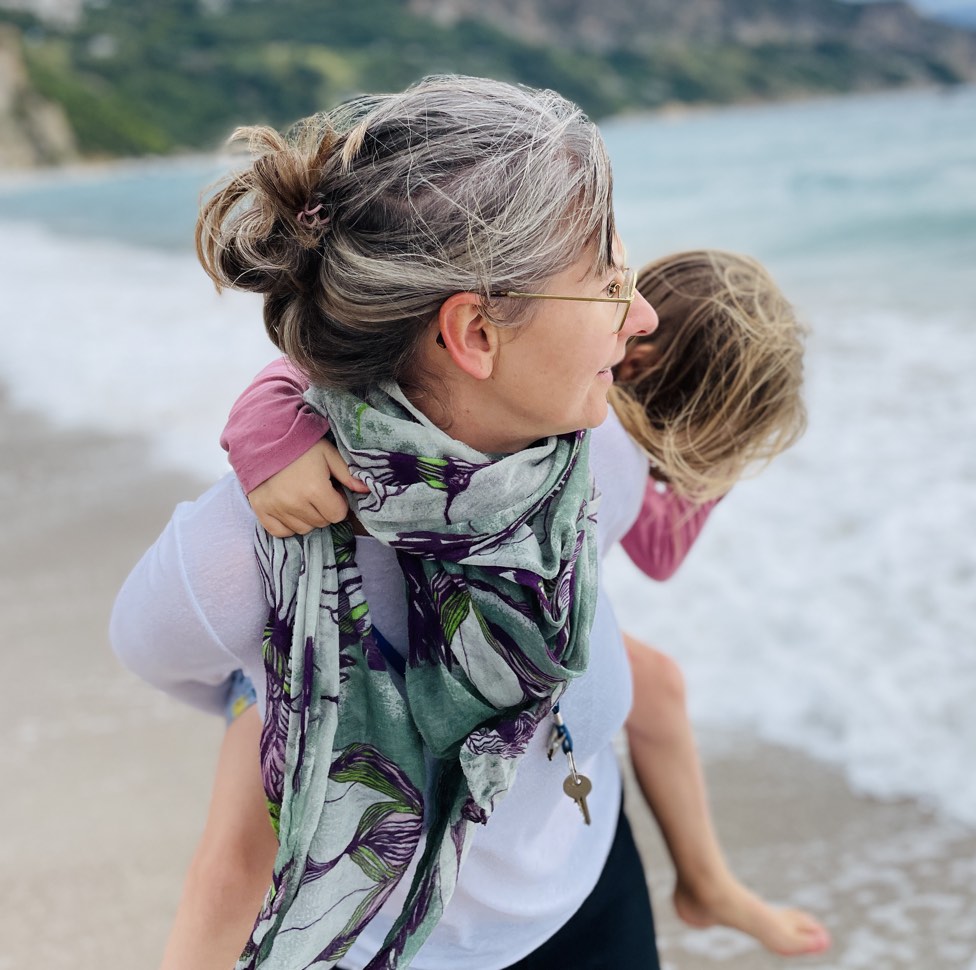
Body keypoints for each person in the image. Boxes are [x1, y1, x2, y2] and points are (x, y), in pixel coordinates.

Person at [111, 74, 662, 970]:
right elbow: (159, 654)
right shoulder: (246, 550)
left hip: (596, 900)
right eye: (606, 284)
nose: (639, 317)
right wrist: (291, 685)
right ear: (475, 334)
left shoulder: (597, 455)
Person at [154, 250, 829, 966]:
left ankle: (707, 884)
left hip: (502, 618)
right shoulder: (584, 433)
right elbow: (321, 371)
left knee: (655, 683)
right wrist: (268, 437)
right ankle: (708, 883)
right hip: (338, 632)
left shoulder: (584, 419)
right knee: (243, 847)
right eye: (720, 440)